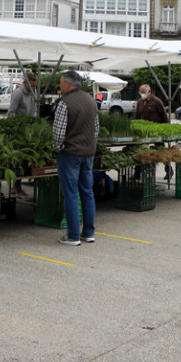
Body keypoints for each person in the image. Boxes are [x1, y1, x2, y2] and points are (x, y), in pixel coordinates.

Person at [53, 70, 99, 246]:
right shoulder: (90, 100)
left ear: (67, 84)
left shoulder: (65, 103)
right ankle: (88, 233)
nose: (59, 85)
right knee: (87, 192)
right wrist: (90, 146)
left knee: (71, 194)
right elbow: (95, 129)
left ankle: (73, 235)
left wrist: (58, 148)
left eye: (60, 82)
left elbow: (58, 131)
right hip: (88, 153)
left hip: (70, 154)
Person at [8, 71, 39, 200]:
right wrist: (20, 125)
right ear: (25, 83)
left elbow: (35, 109)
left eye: (34, 86)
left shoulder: (34, 92)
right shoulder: (18, 93)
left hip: (29, 132)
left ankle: (18, 186)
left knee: (26, 161)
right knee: (18, 161)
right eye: (31, 86)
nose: (33, 88)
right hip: (18, 133)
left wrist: (33, 122)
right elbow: (11, 113)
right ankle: (16, 187)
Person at [136, 84, 172, 180]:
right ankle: (137, 173)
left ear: (149, 92)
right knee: (140, 151)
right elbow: (136, 117)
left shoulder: (157, 102)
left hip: (156, 132)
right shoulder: (140, 102)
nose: (142, 94)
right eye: (141, 92)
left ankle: (169, 170)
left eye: (143, 92)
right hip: (143, 132)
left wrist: (166, 130)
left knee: (161, 151)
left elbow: (164, 117)